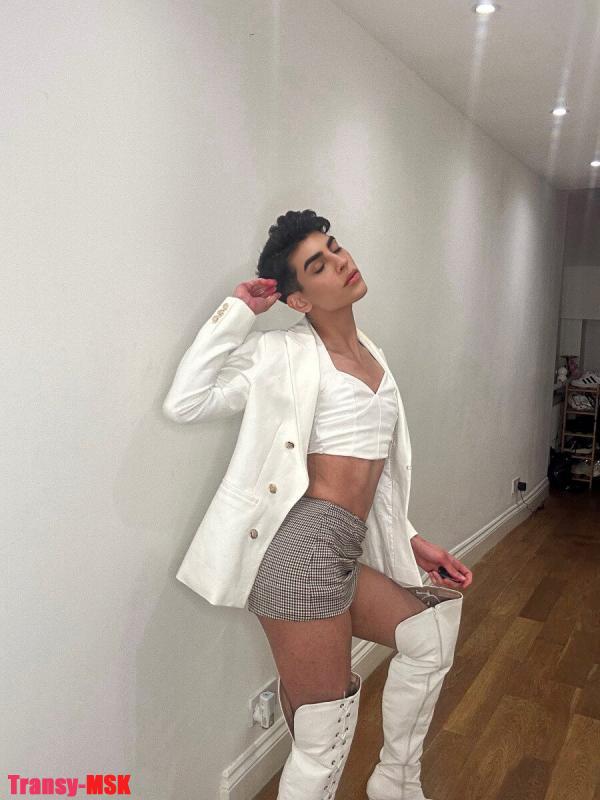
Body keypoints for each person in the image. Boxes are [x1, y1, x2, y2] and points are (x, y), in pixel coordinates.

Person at [163, 210, 473, 799]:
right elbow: (186, 402)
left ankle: (397, 782)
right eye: (318, 264)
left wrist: (410, 539)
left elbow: (371, 478)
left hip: (342, 545)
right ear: (300, 300)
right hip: (298, 552)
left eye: (334, 247)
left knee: (431, 634)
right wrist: (238, 312)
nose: (340, 260)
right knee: (323, 736)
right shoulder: (279, 352)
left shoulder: (374, 356)